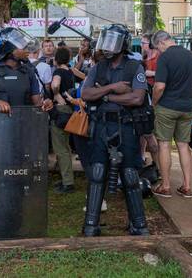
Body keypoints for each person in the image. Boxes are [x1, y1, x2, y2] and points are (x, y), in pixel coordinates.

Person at [81, 24, 149, 237]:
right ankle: (91, 225)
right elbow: (85, 94)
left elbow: (137, 98)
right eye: (106, 40)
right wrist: (111, 89)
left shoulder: (134, 67)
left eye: (113, 41)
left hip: (126, 126)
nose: (108, 46)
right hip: (101, 126)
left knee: (129, 175)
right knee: (98, 173)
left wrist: (105, 96)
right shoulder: (98, 67)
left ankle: (138, 225)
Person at [150, 30, 192, 199]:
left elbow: (159, 86)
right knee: (183, 145)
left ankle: (165, 186)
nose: (158, 51)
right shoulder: (191, 56)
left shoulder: (164, 58)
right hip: (187, 108)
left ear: (161, 42)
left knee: (164, 145)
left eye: (157, 48)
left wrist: (153, 103)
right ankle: (187, 186)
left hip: (167, 107)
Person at [0, 27, 53, 113]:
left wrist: (44, 104)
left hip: (24, 123)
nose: (26, 48)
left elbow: (37, 104)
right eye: (21, 45)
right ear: (10, 50)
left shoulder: (29, 71)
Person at [50, 46, 76, 193]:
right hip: (69, 111)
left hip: (60, 111)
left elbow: (55, 85)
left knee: (60, 149)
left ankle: (68, 183)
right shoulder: (70, 72)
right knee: (65, 146)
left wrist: (56, 95)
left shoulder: (58, 71)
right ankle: (67, 178)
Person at [139, 33, 160, 165]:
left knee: (153, 130)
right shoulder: (144, 57)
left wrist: (148, 73)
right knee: (143, 128)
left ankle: (157, 163)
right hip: (144, 93)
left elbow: (163, 74)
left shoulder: (159, 57)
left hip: (155, 94)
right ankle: (141, 156)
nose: (142, 45)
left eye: (144, 43)